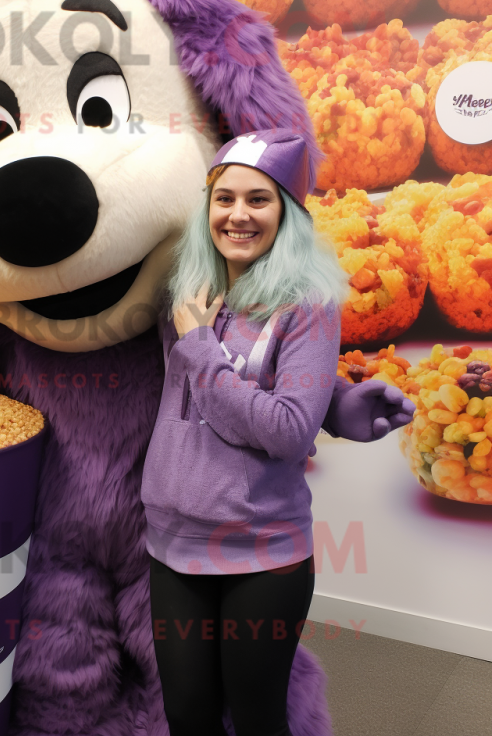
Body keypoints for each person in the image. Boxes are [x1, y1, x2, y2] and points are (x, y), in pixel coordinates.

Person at [142, 128, 351, 736]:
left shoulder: (307, 303)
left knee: (258, 720)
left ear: (287, 210)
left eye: (258, 199)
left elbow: (287, 429)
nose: (237, 215)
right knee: (187, 714)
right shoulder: (188, 292)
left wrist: (199, 347)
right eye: (223, 198)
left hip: (262, 553)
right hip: (173, 544)